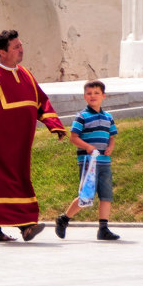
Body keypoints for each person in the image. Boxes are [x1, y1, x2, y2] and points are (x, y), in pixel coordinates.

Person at [0, 30, 66, 242]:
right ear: (2, 52)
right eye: (16, 47)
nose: (21, 49)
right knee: (1, 184)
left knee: (20, 181)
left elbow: (41, 101)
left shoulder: (26, 74)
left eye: (20, 45)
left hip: (20, 145)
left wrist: (54, 124)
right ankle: (26, 225)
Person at [56, 80, 120, 241]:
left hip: (104, 161)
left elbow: (112, 136)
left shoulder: (108, 117)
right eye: (89, 93)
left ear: (103, 96)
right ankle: (64, 219)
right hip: (88, 161)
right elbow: (73, 137)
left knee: (106, 195)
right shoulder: (81, 116)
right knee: (86, 194)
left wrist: (111, 146)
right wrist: (88, 147)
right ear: (84, 96)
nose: (93, 96)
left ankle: (103, 228)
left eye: (97, 93)